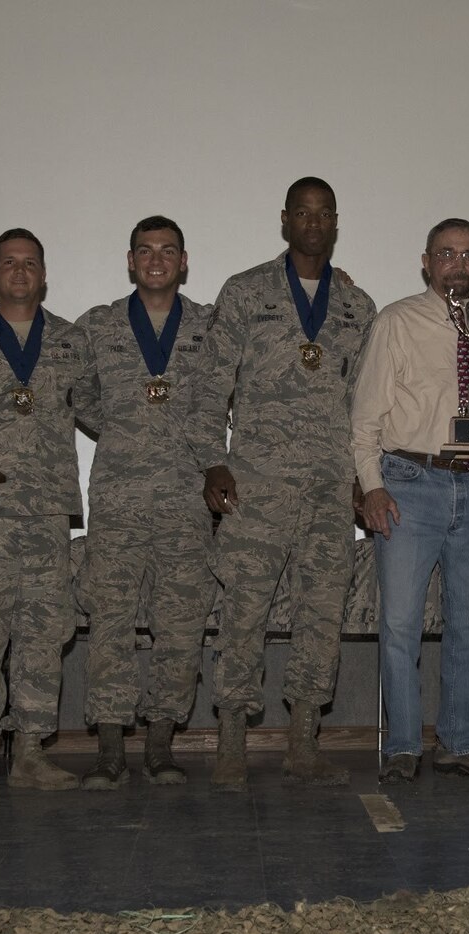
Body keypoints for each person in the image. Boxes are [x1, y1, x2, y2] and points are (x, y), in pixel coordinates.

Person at [191, 177, 377, 791]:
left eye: (325, 213)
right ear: (285, 220)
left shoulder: (358, 306)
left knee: (320, 616)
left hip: (328, 488)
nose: (314, 223)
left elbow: (363, 403)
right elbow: (211, 386)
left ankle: (303, 743)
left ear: (335, 221)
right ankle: (231, 746)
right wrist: (212, 461)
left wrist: (361, 477)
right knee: (244, 612)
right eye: (303, 212)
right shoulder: (245, 292)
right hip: (257, 485)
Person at [352, 217, 469, 783]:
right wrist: (372, 485)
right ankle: (403, 746)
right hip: (408, 483)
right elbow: (364, 419)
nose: (460, 264)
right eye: (447, 253)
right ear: (426, 263)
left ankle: (462, 742)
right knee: (400, 624)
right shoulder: (397, 321)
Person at [0, 228, 92, 802]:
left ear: (44, 274)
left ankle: (30, 752)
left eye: (31, 263)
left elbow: (104, 408)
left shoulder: (72, 341)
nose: (21, 272)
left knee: (42, 631)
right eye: (10, 262)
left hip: (48, 510)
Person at [71, 216, 217, 789]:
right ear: (130, 261)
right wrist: (128, 429)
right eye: (145, 251)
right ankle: (109, 749)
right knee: (109, 623)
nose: (156, 260)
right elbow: (78, 393)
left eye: (168, 251)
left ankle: (161, 744)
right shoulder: (98, 326)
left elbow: (231, 387)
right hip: (118, 497)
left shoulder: (210, 326)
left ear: (184, 262)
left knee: (180, 624)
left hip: (187, 499)